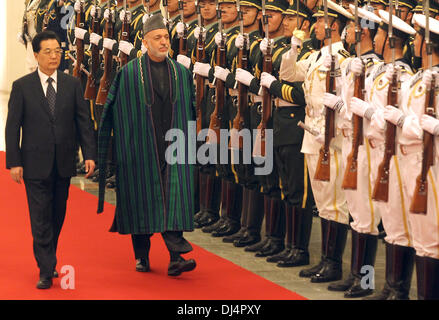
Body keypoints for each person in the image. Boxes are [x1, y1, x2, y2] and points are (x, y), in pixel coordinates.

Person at [97, 14, 197, 277]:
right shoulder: (129, 74)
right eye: (158, 38)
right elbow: (113, 112)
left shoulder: (182, 73)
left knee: (173, 197)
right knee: (142, 200)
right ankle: (142, 255)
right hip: (140, 148)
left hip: (174, 146)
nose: (164, 42)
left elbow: (191, 110)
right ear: (145, 41)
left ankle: (176, 257)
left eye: (166, 37)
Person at [5, 30, 97, 289]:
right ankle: (46, 268)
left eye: (58, 51)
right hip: (34, 163)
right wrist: (14, 161)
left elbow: (84, 122)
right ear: (36, 55)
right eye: (48, 51)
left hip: (64, 162)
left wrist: (89, 154)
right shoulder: (22, 86)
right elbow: (13, 127)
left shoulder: (72, 84)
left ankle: (49, 256)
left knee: (57, 215)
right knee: (40, 217)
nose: (54, 56)